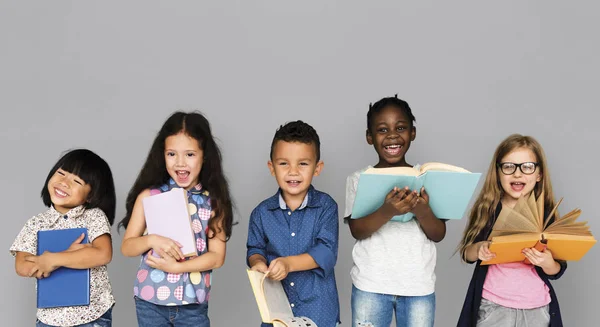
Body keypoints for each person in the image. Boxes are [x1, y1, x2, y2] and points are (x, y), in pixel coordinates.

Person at [120, 111, 233, 327]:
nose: (180, 163)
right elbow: (127, 247)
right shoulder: (149, 196)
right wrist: (152, 240)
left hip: (193, 304)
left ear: (204, 156)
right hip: (150, 301)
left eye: (190, 155)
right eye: (172, 154)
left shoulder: (214, 203)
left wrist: (177, 268)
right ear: (162, 155)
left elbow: (217, 257)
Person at [345, 95, 446, 327]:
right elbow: (357, 231)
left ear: (413, 132)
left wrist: (422, 210)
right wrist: (387, 210)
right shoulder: (358, 180)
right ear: (370, 137)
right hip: (370, 284)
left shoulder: (426, 178)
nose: (392, 135)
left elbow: (438, 233)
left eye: (400, 128)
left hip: (418, 285)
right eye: (382, 129)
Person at [457, 134, 566, 326]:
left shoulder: (546, 213)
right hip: (493, 306)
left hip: (537, 308)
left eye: (527, 167)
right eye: (509, 167)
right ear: (498, 172)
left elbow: (557, 269)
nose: (518, 174)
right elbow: (467, 253)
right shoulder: (487, 209)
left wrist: (547, 262)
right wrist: (480, 248)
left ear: (539, 174)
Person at [246, 120, 340, 327]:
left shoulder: (326, 206)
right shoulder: (261, 213)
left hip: (318, 309)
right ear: (272, 167)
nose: (293, 171)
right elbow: (255, 249)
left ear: (317, 168)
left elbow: (326, 252)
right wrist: (258, 263)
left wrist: (288, 264)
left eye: (303, 163)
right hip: (277, 310)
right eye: (283, 163)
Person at [10, 149, 117, 327]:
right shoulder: (36, 223)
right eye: (61, 173)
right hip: (49, 318)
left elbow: (103, 254)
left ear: (90, 195)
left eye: (77, 181)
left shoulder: (94, 217)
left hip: (91, 316)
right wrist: (64, 256)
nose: (64, 183)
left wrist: (53, 259)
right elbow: (22, 266)